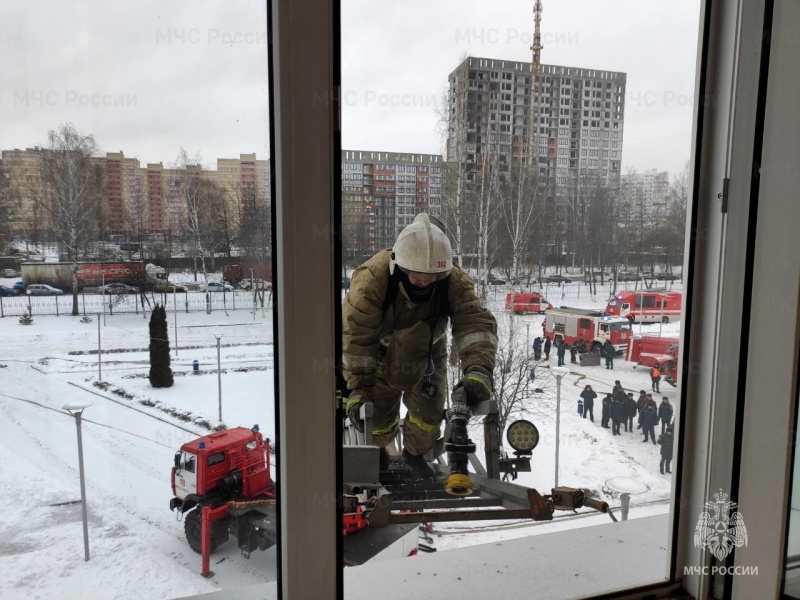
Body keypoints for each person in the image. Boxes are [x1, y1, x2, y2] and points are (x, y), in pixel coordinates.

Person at [342, 213, 498, 479]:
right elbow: (356, 336)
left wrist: (478, 369)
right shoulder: (373, 280)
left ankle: (415, 456)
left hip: (429, 351)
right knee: (377, 416)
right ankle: (380, 449)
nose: (425, 282)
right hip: (380, 353)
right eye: (416, 276)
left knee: (428, 415)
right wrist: (358, 388)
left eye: (432, 277)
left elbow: (474, 323)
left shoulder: (453, 281)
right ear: (399, 267)